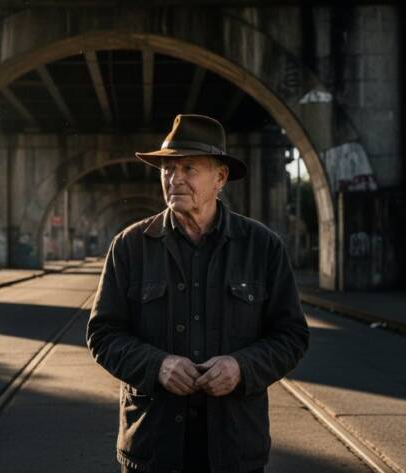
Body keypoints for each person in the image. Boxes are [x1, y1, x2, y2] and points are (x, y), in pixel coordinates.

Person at [86, 114, 310, 473]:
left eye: (189, 168)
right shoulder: (129, 246)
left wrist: (242, 367)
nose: (175, 179)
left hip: (234, 447)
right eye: (167, 169)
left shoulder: (262, 247)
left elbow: (291, 336)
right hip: (153, 447)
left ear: (220, 178)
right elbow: (102, 335)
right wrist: (157, 366)